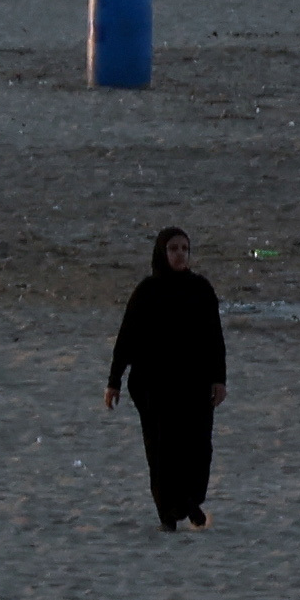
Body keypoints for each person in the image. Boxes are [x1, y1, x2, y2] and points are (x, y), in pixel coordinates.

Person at [103, 225, 224, 529]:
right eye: (173, 248)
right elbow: (127, 337)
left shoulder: (201, 289)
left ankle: (189, 501)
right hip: (152, 385)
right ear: (162, 252)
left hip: (194, 384)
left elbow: (214, 338)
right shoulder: (148, 291)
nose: (180, 254)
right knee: (162, 451)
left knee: (198, 449)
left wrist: (219, 379)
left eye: (184, 248)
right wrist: (114, 381)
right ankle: (169, 514)